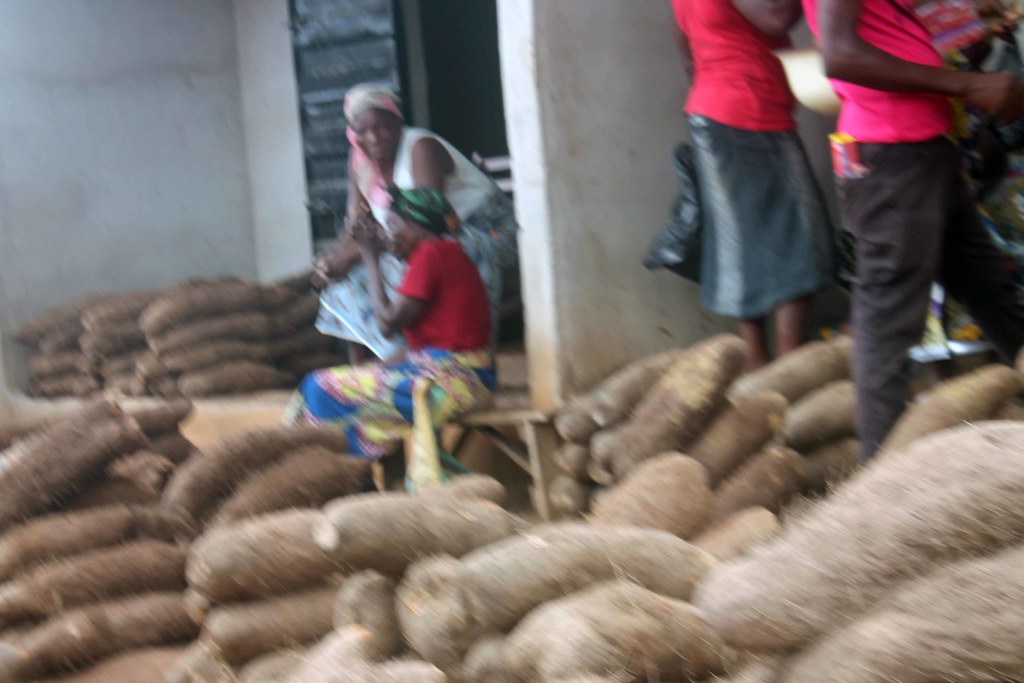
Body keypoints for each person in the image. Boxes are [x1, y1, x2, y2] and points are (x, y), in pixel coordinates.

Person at [804, 0, 1024, 459]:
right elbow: (841, 54)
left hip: (923, 149)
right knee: (887, 324)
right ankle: (880, 482)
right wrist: (968, 84)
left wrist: (968, 19)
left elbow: (884, 27)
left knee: (988, 288)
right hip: (893, 157)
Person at [671, 0, 837, 370]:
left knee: (741, 240)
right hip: (751, 112)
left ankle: (757, 360)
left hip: (712, 112)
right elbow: (775, 15)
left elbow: (686, 52)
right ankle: (788, 357)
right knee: (801, 233)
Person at [313, 83, 519, 365]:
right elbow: (357, 226)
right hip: (415, 236)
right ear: (353, 134)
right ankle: (390, 365)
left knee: (442, 256)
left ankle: (472, 356)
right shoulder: (358, 161)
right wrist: (333, 263)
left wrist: (353, 255)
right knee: (343, 283)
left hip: (488, 230)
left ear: (398, 122)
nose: (373, 138)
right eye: (362, 131)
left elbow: (427, 224)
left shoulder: (421, 147)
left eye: (382, 126)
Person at [287, 188, 496, 461]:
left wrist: (370, 256)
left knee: (320, 387)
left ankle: (338, 470)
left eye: (393, 226)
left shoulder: (430, 255)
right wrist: (374, 370)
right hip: (470, 381)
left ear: (416, 228)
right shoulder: (449, 254)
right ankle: (355, 468)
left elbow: (387, 324)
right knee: (350, 393)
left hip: (452, 386)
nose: (387, 237)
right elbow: (426, 347)